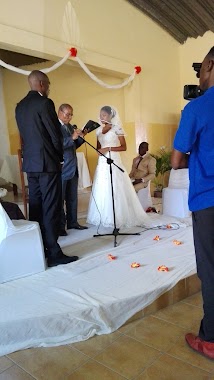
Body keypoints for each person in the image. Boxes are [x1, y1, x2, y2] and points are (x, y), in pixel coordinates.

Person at [171, 46, 214, 360]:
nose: (198, 77)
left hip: (208, 201)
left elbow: (175, 160)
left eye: (199, 70)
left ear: (210, 65)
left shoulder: (197, 108)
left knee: (211, 270)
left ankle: (210, 339)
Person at [15, 70, 78, 267]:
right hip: (47, 164)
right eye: (48, 84)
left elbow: (27, 135)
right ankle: (54, 253)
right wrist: (59, 158)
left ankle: (37, 248)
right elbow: (54, 135)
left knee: (35, 206)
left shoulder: (20, 106)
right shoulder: (45, 103)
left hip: (31, 164)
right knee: (51, 207)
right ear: (41, 84)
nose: (49, 87)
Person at [87, 105, 150, 228]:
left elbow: (123, 146)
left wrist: (108, 148)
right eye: (100, 115)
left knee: (115, 186)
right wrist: (99, 150)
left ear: (110, 116)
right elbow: (98, 148)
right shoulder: (98, 130)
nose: (101, 117)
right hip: (102, 161)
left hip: (113, 159)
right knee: (102, 186)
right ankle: (103, 216)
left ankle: (118, 216)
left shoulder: (117, 128)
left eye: (104, 115)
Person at [58, 103, 88, 235]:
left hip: (72, 166)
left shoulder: (70, 126)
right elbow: (57, 145)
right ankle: (60, 227)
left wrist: (81, 137)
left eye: (71, 114)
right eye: (67, 114)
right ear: (60, 112)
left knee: (72, 197)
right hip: (62, 167)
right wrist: (71, 138)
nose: (69, 117)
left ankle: (72, 222)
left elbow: (73, 146)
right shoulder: (54, 126)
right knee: (60, 198)